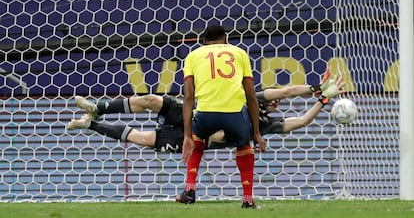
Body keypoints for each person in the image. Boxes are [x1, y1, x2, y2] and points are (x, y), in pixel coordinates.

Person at [67, 74, 342, 153]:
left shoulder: (267, 125)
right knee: (151, 99)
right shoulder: (252, 99)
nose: (275, 103)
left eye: (275, 105)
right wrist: (316, 87)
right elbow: (284, 91)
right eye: (272, 101)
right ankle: (98, 107)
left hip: (197, 138)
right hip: (193, 113)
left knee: (143, 139)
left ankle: (89, 124)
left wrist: (323, 101)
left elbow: (303, 120)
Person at [179, 25, 263, 209]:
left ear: (204, 41)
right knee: (243, 144)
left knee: (197, 138)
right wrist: (256, 132)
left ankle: (190, 189)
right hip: (234, 114)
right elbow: (251, 95)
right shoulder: (240, 53)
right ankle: (248, 200)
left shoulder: (193, 56)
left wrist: (187, 136)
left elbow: (188, 97)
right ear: (225, 38)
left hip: (206, 113)